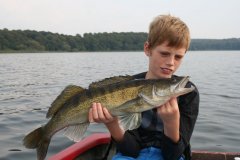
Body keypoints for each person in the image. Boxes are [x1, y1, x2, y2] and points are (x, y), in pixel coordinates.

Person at [88, 14, 199, 160]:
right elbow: (131, 151)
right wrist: (112, 123)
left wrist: (171, 123)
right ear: (148, 49)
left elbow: (172, 155)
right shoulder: (127, 88)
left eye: (178, 57)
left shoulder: (187, 93)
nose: (171, 62)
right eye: (164, 53)